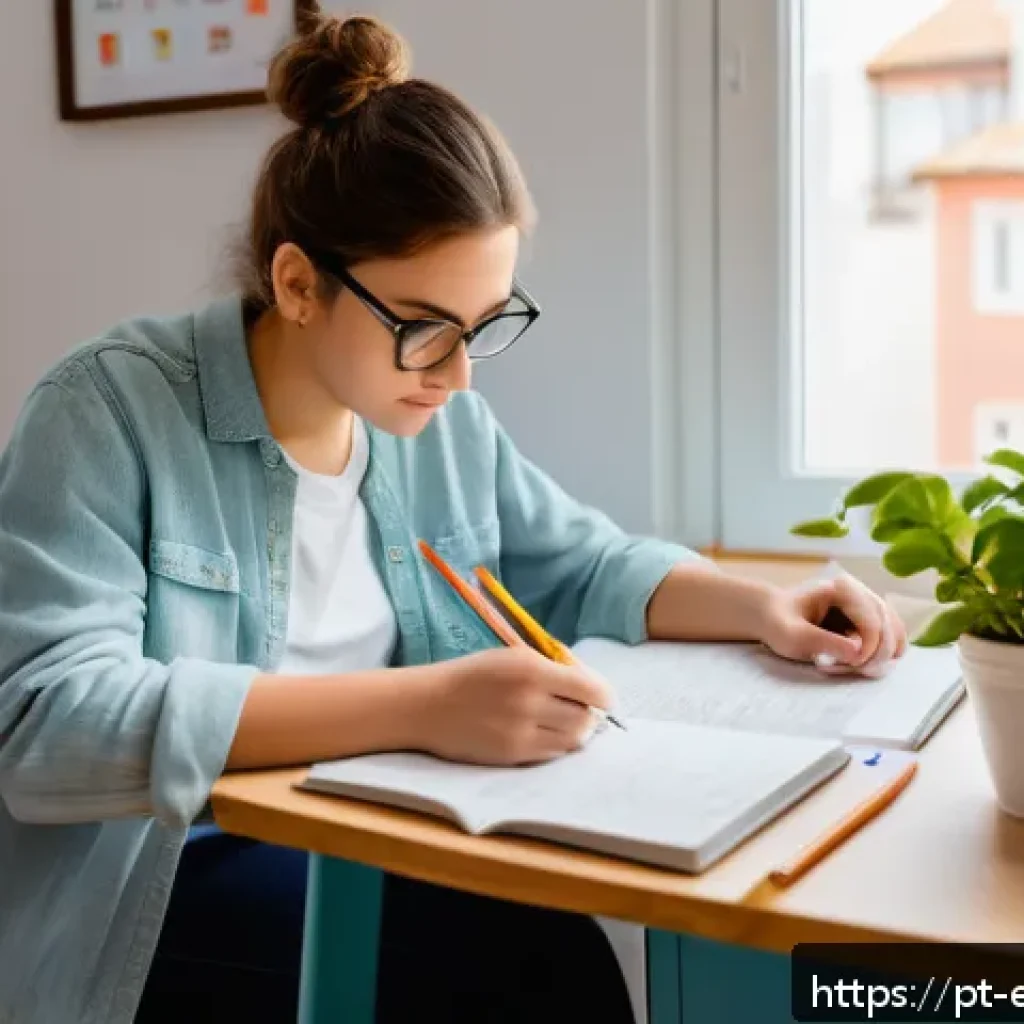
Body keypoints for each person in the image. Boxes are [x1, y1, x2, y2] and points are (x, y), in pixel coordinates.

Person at [0, 7, 907, 1023]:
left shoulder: (434, 422)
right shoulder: (109, 410)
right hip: (162, 878)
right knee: (507, 975)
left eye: (484, 326)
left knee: (556, 954)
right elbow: (44, 728)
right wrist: (427, 704)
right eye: (426, 329)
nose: (460, 373)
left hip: (362, 832)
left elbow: (584, 565)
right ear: (298, 283)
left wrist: (762, 608)